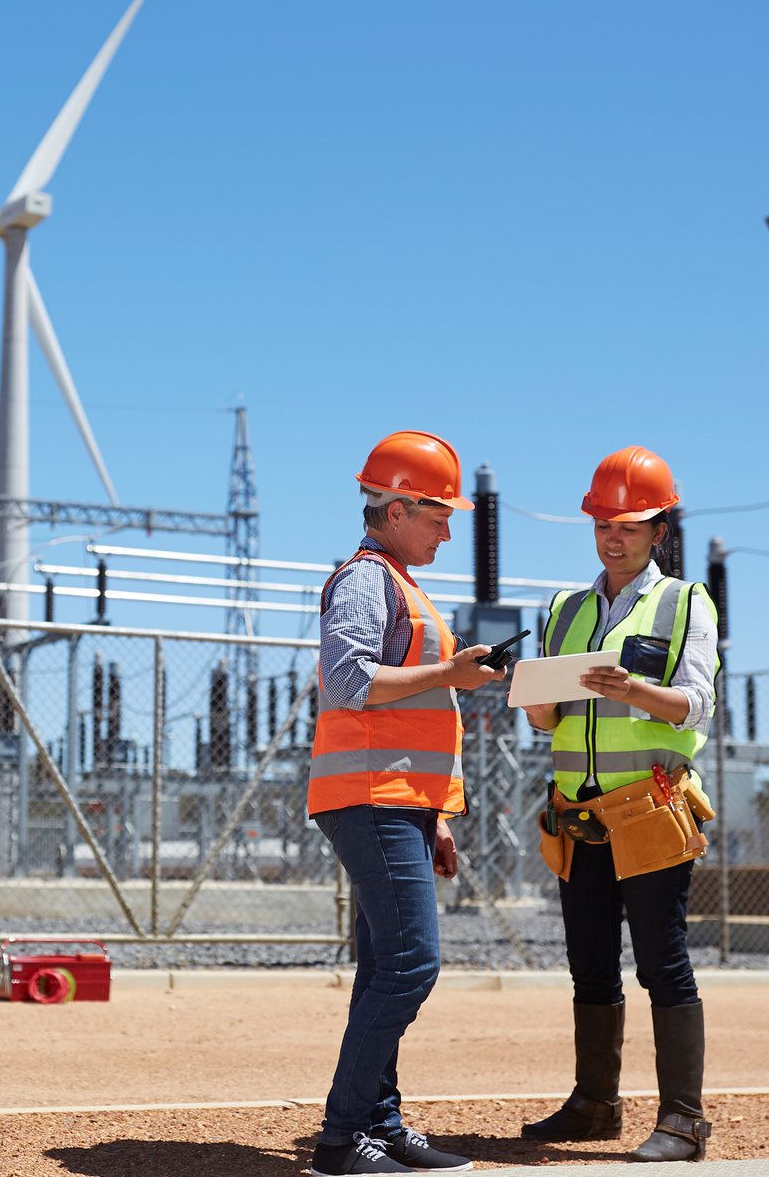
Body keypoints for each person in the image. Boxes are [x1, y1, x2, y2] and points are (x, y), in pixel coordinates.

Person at [307, 430, 505, 1177]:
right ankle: (340, 1139)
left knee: (384, 965)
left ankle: (380, 1124)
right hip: (370, 796)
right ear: (393, 509)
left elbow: (406, 705)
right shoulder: (366, 580)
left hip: (399, 803)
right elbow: (349, 683)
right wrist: (450, 674)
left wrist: (436, 818)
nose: (450, 530)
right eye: (437, 515)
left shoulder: (400, 582)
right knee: (413, 965)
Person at [517, 445, 721, 1162]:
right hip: (580, 815)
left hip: (650, 811)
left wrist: (631, 690)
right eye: (604, 522)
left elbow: (697, 705)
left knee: (663, 961)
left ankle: (684, 1120)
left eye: (630, 524)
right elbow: (546, 723)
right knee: (589, 963)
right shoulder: (565, 610)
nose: (614, 535)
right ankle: (594, 1104)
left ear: (659, 530)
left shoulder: (684, 602)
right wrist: (537, 702)